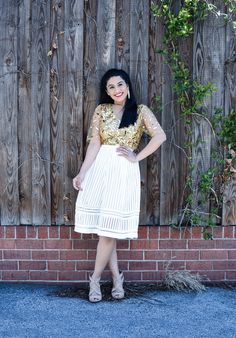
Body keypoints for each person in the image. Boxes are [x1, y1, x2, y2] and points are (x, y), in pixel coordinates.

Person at [73, 68, 166, 302]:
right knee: (106, 229)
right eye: (111, 87)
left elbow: (160, 136)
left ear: (128, 85)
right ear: (106, 91)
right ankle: (116, 277)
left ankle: (94, 279)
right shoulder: (101, 110)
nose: (117, 90)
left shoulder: (141, 111)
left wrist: (137, 156)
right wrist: (82, 172)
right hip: (100, 170)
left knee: (108, 229)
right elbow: (94, 144)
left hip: (123, 171)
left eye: (120, 84)